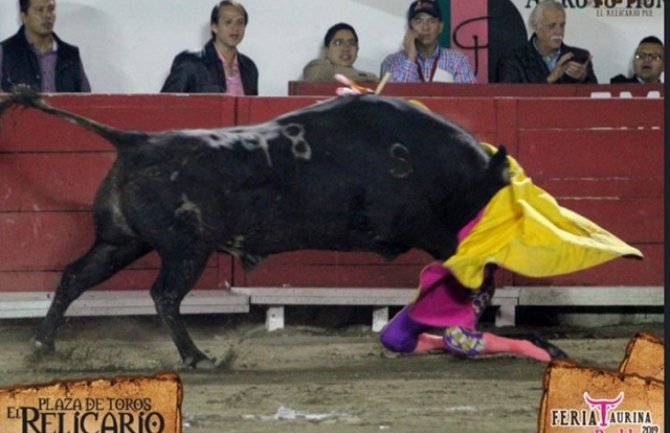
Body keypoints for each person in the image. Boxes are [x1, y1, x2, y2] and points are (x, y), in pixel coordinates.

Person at [379, 140, 642, 362]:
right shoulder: (444, 188)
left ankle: (527, 346)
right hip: (451, 271)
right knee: (394, 339)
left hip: (474, 272)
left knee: (459, 339)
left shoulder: (486, 195)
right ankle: (446, 341)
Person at [161, 0, 258, 94]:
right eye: (228, 22)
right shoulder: (190, 63)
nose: (235, 28)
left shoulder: (249, 68)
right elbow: (165, 106)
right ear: (214, 26)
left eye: (240, 22)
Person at [497, 0, 597, 84]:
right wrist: (550, 79)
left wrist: (583, 77)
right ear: (535, 26)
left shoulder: (579, 57)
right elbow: (511, 98)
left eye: (562, 25)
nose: (559, 32)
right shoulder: (513, 60)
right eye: (552, 26)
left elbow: (597, 100)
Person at [0, 0, 91, 92]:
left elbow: (87, 101)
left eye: (51, 9)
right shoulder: (5, 52)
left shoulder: (70, 55)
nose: (47, 15)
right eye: (40, 10)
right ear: (24, 16)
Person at [380, 0, 476, 83]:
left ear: (441, 27)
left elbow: (470, 100)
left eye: (432, 21)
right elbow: (395, 98)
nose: (425, 27)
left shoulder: (458, 61)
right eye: (419, 21)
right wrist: (410, 59)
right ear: (410, 27)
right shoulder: (392, 61)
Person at [302, 23, 378, 83]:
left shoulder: (365, 80)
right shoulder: (314, 68)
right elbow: (335, 74)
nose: (346, 48)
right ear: (326, 50)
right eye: (338, 43)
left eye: (351, 43)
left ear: (357, 49)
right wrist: (371, 78)